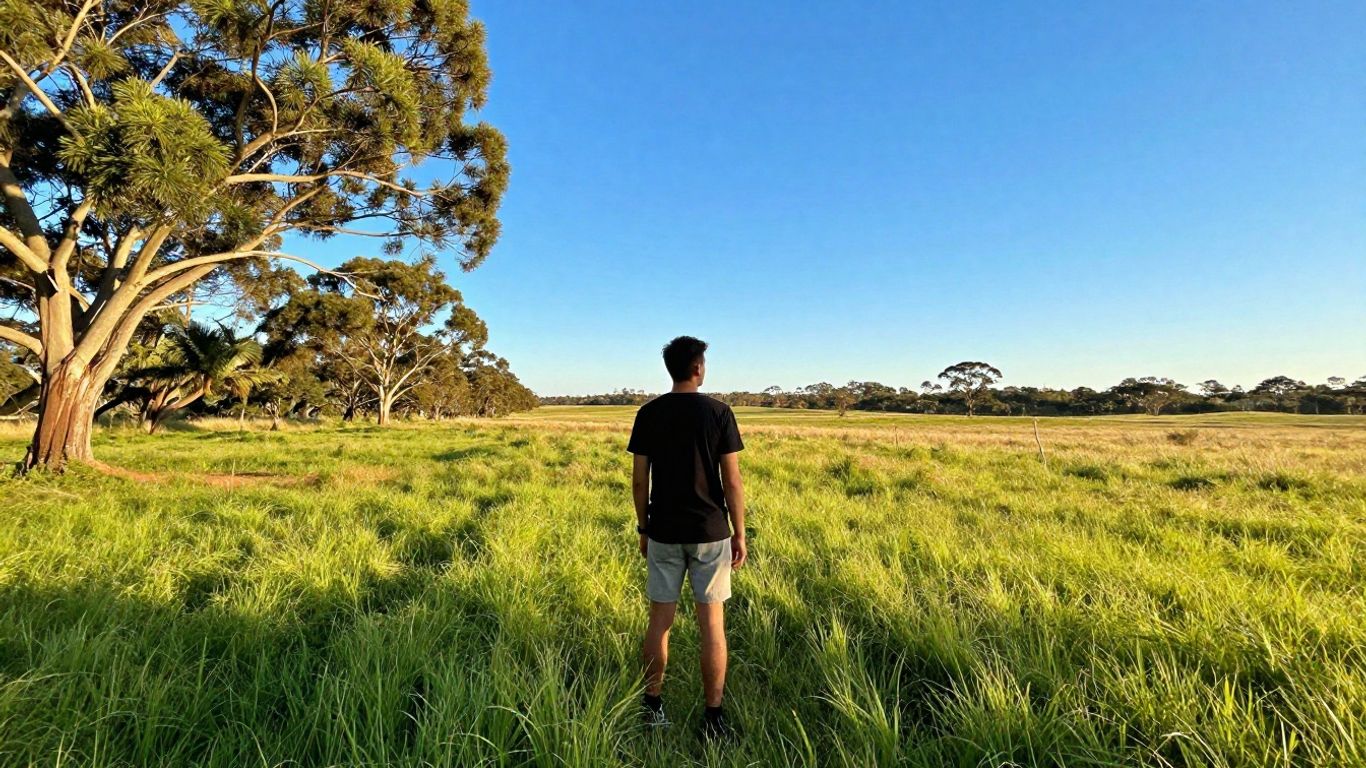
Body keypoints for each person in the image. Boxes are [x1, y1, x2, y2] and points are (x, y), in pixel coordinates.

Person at [627, 336, 747, 741]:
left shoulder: (648, 414)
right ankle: (713, 719)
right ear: (698, 368)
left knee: (658, 623)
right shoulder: (719, 413)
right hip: (710, 533)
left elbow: (640, 479)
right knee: (712, 627)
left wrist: (644, 528)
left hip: (662, 531)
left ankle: (653, 707)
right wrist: (740, 534)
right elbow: (731, 480)